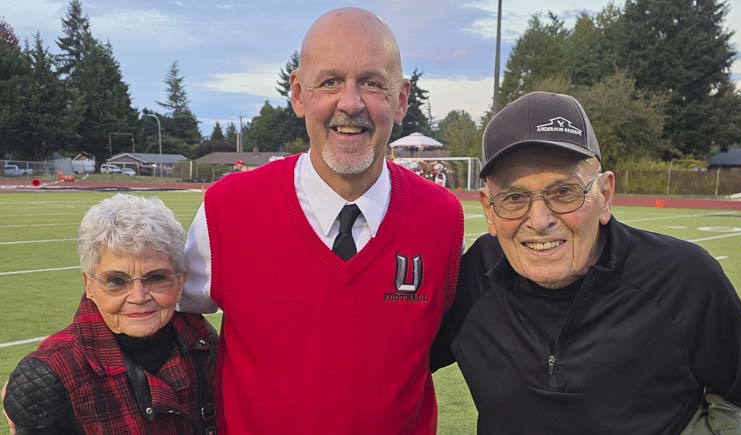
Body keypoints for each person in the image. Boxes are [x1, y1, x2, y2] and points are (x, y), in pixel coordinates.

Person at [178, 7, 464, 434]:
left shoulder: (441, 218)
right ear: (297, 93)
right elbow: (157, 314)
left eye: (371, 83)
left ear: (401, 99)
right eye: (330, 82)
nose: (350, 103)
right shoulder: (228, 209)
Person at [430, 91, 741, 434]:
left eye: (564, 192)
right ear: (489, 210)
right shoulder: (473, 279)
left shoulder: (683, 279)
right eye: (514, 197)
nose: (539, 220)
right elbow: (389, 364)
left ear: (605, 196)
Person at [2, 194, 218, 435]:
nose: (138, 296)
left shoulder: (199, 338)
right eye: (116, 281)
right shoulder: (51, 373)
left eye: (156, 278)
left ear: (180, 282)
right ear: (89, 285)